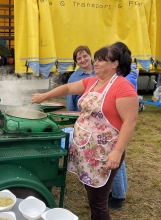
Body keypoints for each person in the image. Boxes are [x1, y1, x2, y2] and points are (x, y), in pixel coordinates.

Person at [31, 45, 138, 219]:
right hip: (86, 149)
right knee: (92, 195)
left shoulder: (123, 87)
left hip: (105, 152)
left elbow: (130, 121)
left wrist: (117, 152)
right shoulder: (93, 81)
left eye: (102, 60)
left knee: (98, 202)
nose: (96, 63)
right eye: (96, 59)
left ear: (115, 64)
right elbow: (66, 89)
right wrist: (44, 96)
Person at [109, 41, 139, 211]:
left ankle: (118, 197)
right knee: (121, 160)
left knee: (116, 158)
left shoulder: (124, 77)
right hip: (123, 117)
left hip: (119, 120)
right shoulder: (131, 70)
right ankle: (122, 190)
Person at [67, 45, 96, 111]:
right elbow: (70, 104)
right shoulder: (73, 79)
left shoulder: (101, 71)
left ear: (90, 56)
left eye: (85, 56)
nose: (83, 60)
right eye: (79, 58)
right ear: (76, 62)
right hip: (83, 117)